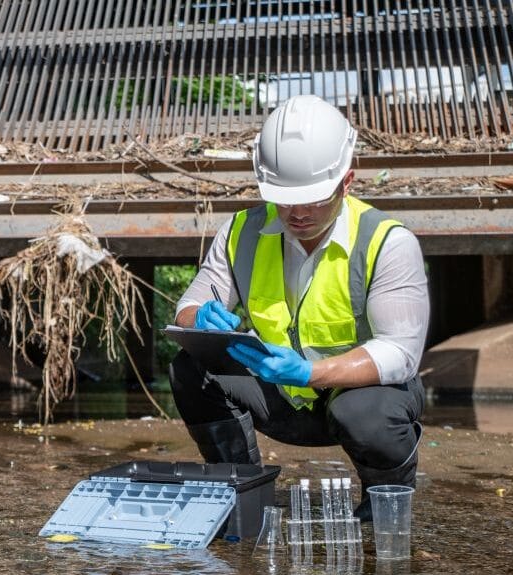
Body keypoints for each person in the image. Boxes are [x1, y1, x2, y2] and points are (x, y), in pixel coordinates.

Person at [167, 94, 429, 521]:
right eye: (285, 197)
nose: (297, 211)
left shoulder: (387, 242)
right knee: (189, 368)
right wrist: (199, 318)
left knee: (366, 411)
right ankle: (240, 491)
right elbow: (190, 304)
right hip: (280, 398)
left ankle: (386, 505)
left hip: (354, 399)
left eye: (312, 197)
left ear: (346, 182)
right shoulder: (243, 232)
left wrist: (311, 373)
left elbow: (400, 354)